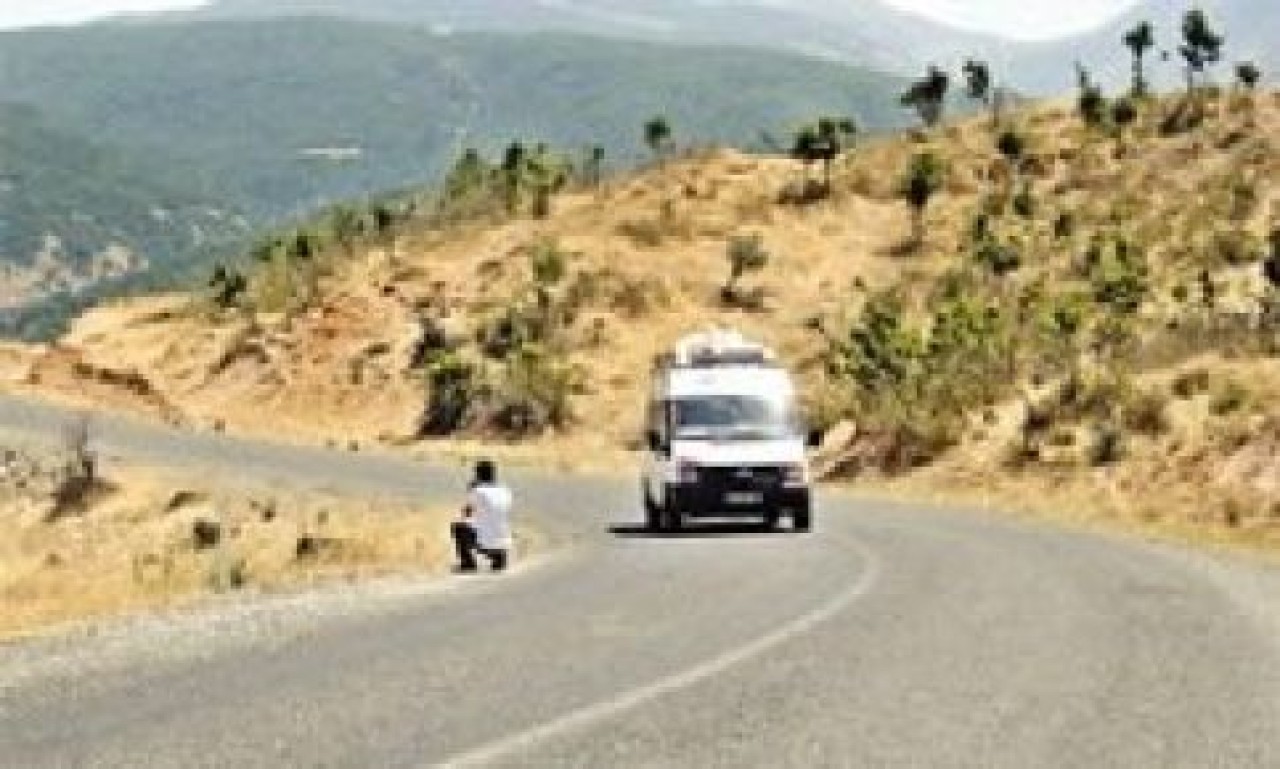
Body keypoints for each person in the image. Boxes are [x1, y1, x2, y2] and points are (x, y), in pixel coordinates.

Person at [451, 459, 513, 572]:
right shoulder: (505, 490)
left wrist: (470, 490)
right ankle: (499, 557)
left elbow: (466, 513)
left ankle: (468, 563)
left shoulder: (478, 491)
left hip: (486, 542)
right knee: (490, 527)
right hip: (505, 541)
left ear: (478, 475)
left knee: (458, 527)